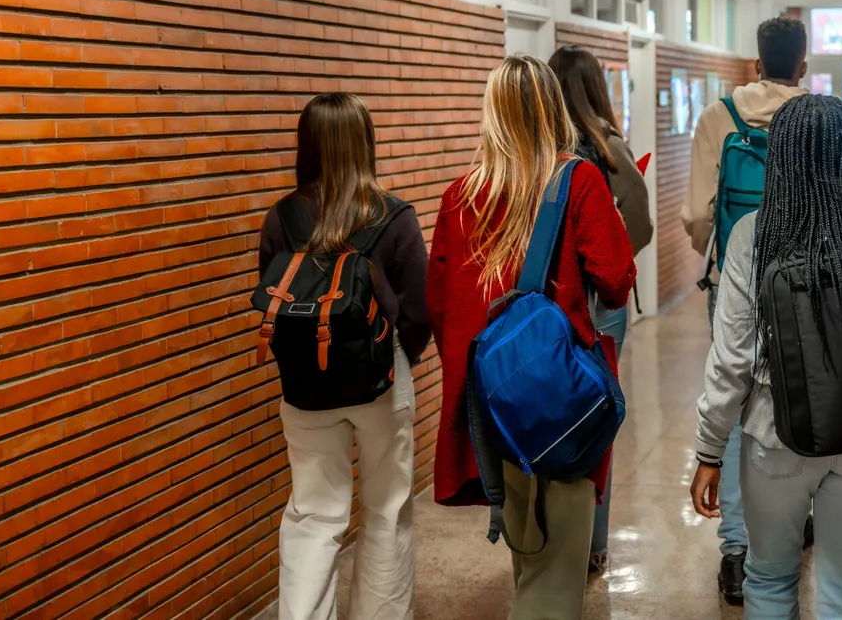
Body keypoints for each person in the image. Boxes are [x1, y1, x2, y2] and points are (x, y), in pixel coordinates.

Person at [689, 94, 842, 619]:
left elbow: (731, 361)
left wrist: (710, 451)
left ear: (779, 156)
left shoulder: (753, 235)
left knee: (770, 577)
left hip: (775, 438)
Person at [427, 55, 636, 619]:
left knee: (530, 555)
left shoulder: (460, 195)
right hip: (554, 402)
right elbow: (615, 281)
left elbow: (439, 302)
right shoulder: (579, 181)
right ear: (553, 109)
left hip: (489, 405)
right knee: (551, 585)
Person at [260, 92, 431, 620]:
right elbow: (421, 311)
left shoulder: (281, 218)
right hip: (381, 381)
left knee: (313, 513)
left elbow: (274, 296)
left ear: (306, 144)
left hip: (305, 386)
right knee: (386, 510)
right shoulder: (394, 217)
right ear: (365, 144)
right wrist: (395, 356)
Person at [679, 16, 812, 601]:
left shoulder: (718, 117)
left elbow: (695, 215)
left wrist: (727, 254)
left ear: (754, 63)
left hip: (738, 274)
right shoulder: (816, 117)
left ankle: (736, 550)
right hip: (807, 281)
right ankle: (796, 516)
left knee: (733, 394)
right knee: (807, 390)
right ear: (802, 67)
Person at [548, 45, 654, 573]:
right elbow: (642, 229)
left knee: (543, 407)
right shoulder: (608, 149)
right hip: (600, 302)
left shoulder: (537, 149)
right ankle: (592, 545)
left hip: (541, 302)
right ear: (596, 89)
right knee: (597, 415)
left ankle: (544, 537)